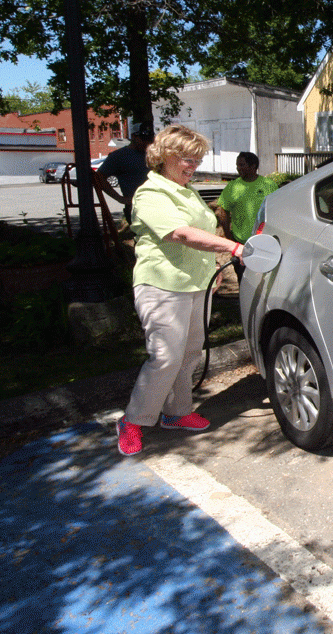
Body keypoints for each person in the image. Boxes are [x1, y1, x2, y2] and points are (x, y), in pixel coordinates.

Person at [116, 125, 247, 456]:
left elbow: (203, 232)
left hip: (195, 285)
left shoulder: (186, 191)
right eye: (187, 158)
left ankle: (177, 413)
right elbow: (181, 234)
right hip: (162, 285)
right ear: (165, 156)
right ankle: (133, 420)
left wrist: (211, 272)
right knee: (164, 356)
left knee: (190, 353)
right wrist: (234, 248)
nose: (193, 166)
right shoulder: (151, 193)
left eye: (197, 160)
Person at [97, 121, 155, 223]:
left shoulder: (154, 154)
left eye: (149, 139)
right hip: (136, 208)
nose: (147, 143)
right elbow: (99, 177)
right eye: (143, 139)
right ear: (133, 136)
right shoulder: (119, 156)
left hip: (157, 205)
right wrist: (119, 198)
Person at [214, 151, 276, 244]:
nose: (238, 168)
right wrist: (228, 235)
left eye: (242, 165)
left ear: (253, 166)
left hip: (265, 240)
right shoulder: (232, 187)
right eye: (237, 165)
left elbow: (278, 209)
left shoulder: (269, 185)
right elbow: (223, 211)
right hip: (240, 242)